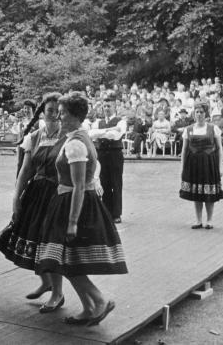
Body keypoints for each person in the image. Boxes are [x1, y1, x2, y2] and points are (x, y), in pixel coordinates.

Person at [36, 92, 127, 326]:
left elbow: (78, 186)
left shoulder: (76, 143)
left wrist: (73, 221)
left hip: (73, 204)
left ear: (75, 116)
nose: (59, 116)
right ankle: (89, 308)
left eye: (64, 113)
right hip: (70, 201)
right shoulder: (78, 137)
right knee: (69, 260)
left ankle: (99, 300)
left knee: (65, 260)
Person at [0, 93, 67, 313]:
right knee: (35, 237)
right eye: (50, 110)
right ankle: (46, 282)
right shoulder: (34, 136)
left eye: (58, 111)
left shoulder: (69, 136)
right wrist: (16, 197)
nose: (54, 115)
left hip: (57, 194)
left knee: (51, 242)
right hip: (36, 193)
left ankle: (58, 293)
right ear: (42, 112)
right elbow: (25, 170)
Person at [179, 101, 223, 229]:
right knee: (196, 192)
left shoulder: (213, 128)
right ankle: (198, 220)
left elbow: (219, 148)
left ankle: (209, 220)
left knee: (209, 192)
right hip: (193, 165)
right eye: (197, 112)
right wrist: (182, 168)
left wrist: (221, 166)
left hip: (209, 164)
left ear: (206, 114)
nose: (199, 114)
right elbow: (184, 150)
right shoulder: (188, 129)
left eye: (201, 112)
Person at [90, 94, 126, 223]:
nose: (106, 108)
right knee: (103, 182)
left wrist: (102, 133)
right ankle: (106, 211)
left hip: (115, 153)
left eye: (109, 106)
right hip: (101, 154)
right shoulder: (98, 121)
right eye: (104, 106)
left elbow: (115, 136)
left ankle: (116, 213)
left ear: (114, 106)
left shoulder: (121, 121)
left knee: (116, 183)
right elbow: (92, 135)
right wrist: (108, 130)